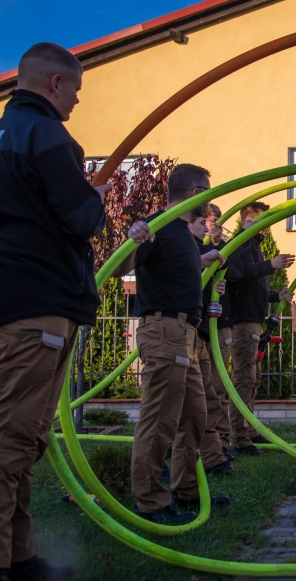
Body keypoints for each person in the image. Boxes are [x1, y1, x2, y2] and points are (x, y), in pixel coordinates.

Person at [0, 42, 108, 581]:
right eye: (76, 92)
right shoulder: (45, 136)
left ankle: (20, 558)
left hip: (11, 303)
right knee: (13, 438)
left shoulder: (5, 136)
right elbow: (81, 217)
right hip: (38, 305)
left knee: (20, 435)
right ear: (55, 84)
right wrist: (98, 198)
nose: (76, 104)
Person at [115, 164, 228, 524]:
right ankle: (150, 502)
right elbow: (123, 266)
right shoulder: (159, 225)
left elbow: (175, 268)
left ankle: (187, 490)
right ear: (195, 192)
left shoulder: (182, 234)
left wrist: (203, 259)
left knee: (195, 414)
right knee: (161, 416)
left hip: (187, 334)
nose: (209, 201)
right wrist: (134, 237)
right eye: (207, 192)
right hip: (164, 329)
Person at [225, 202, 293, 457]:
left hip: (253, 320)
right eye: (262, 222)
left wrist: (276, 295)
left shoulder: (254, 249)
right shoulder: (240, 247)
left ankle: (249, 430)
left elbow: (253, 287)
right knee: (243, 379)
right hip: (242, 323)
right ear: (248, 222)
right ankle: (240, 438)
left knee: (253, 379)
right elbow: (239, 275)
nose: (266, 228)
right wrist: (271, 265)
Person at [187, 210, 242, 476]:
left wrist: (214, 291)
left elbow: (229, 269)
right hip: (191, 330)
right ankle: (192, 459)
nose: (208, 227)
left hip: (203, 330)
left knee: (209, 395)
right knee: (193, 399)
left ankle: (213, 457)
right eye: (202, 222)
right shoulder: (186, 249)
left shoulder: (203, 250)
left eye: (211, 222)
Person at [203, 203, 234, 457]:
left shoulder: (222, 247)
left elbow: (232, 269)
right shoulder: (190, 246)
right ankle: (210, 450)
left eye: (216, 221)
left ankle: (220, 446)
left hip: (217, 323)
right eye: (208, 220)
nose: (213, 225)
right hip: (198, 325)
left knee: (218, 387)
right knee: (204, 391)